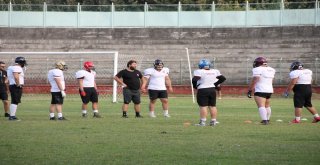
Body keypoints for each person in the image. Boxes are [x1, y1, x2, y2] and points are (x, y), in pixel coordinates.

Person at [192, 59, 226, 126]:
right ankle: (213, 121)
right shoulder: (215, 71)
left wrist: (195, 86)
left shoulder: (199, 71)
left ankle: (203, 122)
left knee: (203, 106)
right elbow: (223, 78)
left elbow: (194, 80)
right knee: (212, 106)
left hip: (203, 90)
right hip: (212, 90)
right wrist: (215, 84)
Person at [247, 57, 275, 125]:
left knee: (261, 106)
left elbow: (255, 79)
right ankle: (267, 119)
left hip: (260, 89)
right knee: (267, 105)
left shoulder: (257, 69)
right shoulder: (272, 69)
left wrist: (250, 90)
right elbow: (272, 80)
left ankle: (264, 120)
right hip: (269, 89)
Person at [7, 57, 27, 121]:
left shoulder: (11, 67)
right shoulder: (17, 68)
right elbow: (16, 76)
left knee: (14, 101)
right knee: (15, 101)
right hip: (15, 86)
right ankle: (12, 116)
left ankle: (12, 115)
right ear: (21, 62)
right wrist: (18, 84)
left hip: (13, 85)